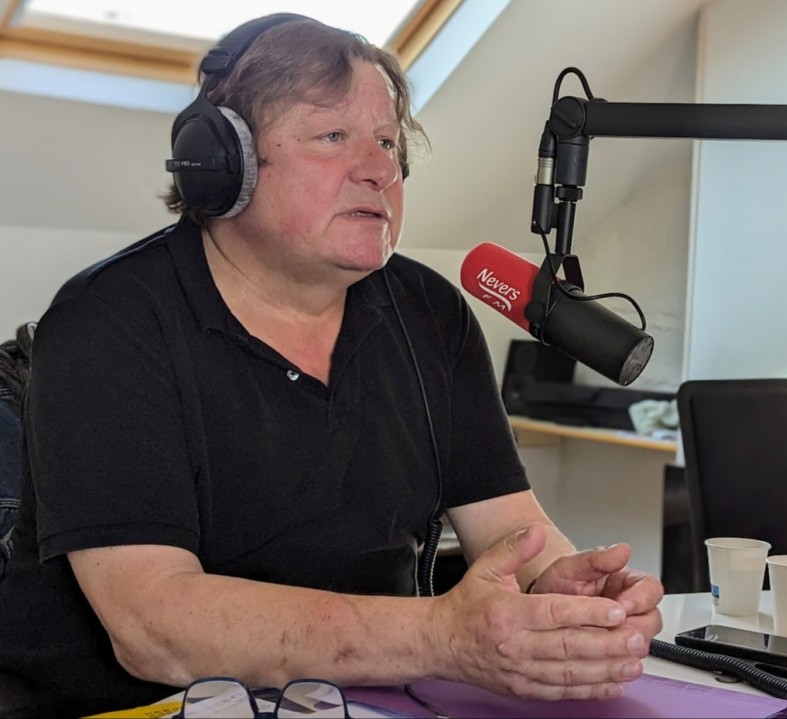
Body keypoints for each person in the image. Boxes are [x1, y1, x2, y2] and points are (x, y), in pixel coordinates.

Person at [0, 13, 663, 716]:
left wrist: (561, 595)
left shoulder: (429, 312)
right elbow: (155, 629)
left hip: (361, 703)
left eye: (387, 141)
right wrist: (441, 635)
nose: (380, 170)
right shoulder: (108, 322)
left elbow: (508, 529)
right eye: (332, 137)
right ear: (221, 162)